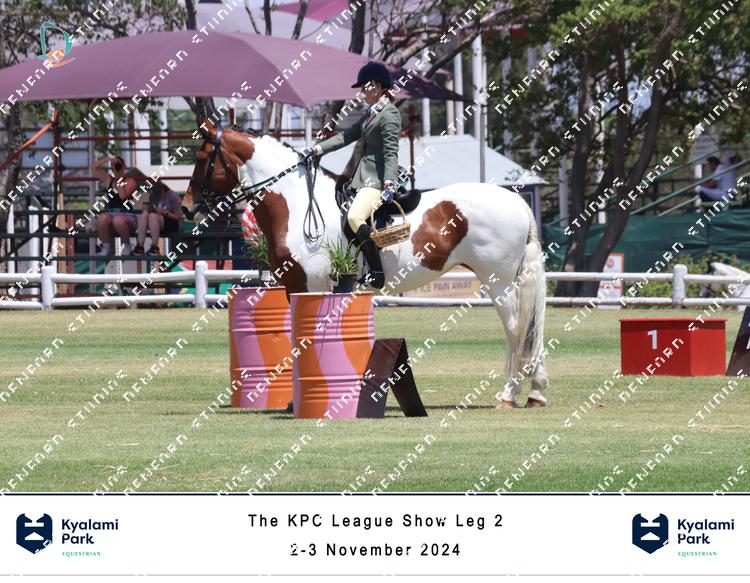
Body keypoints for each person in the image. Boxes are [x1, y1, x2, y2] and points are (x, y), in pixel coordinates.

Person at [302, 61, 402, 289]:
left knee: (355, 217)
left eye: (365, 87)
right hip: (362, 178)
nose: (362, 92)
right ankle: (359, 264)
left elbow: (391, 151)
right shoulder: (370, 114)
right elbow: (345, 137)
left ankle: (377, 273)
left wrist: (389, 183)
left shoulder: (389, 114)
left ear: (378, 86)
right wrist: (317, 149)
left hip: (377, 179)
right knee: (347, 219)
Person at [91, 155, 138, 255]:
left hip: (127, 215)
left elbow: (122, 196)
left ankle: (127, 246)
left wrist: (119, 179)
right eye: (113, 165)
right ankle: (106, 246)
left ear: (124, 166)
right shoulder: (109, 180)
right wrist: (109, 158)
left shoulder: (130, 181)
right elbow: (93, 167)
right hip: (111, 213)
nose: (116, 167)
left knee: (118, 220)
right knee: (101, 218)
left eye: (118, 165)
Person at [133, 180, 183, 256]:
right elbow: (138, 212)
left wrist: (164, 212)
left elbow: (179, 217)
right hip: (151, 222)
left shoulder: (173, 196)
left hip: (169, 222)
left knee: (152, 216)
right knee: (144, 215)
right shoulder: (148, 194)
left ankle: (154, 247)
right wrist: (145, 205)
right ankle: (140, 247)